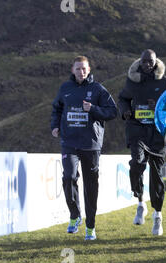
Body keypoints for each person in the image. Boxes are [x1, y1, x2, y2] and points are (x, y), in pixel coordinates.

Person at [51, 55, 117, 240]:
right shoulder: (65, 88)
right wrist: (55, 126)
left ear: (89, 70)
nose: (81, 72)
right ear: (72, 70)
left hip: (90, 144)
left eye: (84, 69)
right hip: (69, 142)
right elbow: (56, 109)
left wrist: (94, 109)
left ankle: (90, 227)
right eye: (77, 68)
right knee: (69, 176)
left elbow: (113, 111)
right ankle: (75, 215)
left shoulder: (97, 89)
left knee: (91, 186)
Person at [118, 49, 166, 235]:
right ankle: (141, 203)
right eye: (144, 62)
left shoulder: (165, 83)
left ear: (156, 62)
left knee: (157, 175)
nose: (147, 65)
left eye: (150, 62)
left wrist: (159, 105)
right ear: (140, 62)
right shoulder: (133, 80)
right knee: (137, 164)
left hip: (159, 135)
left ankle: (157, 216)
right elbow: (123, 98)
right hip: (138, 131)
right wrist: (125, 111)